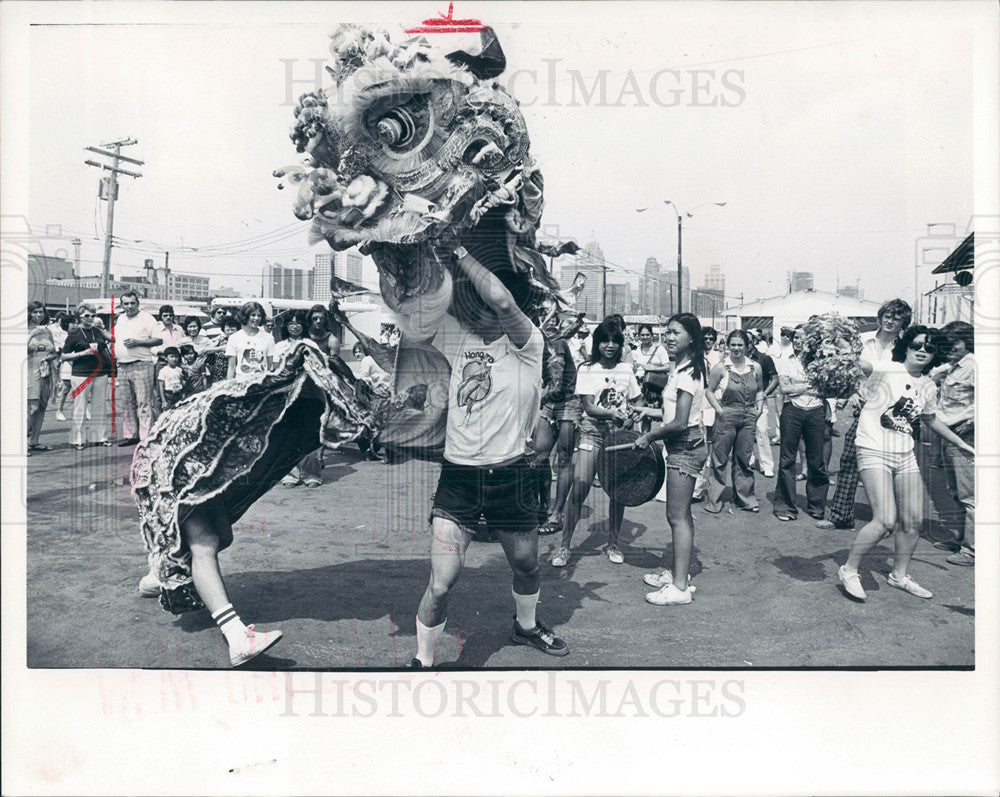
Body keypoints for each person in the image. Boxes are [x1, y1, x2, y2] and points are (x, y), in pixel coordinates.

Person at [411, 243, 567, 668]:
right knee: (441, 584)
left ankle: (527, 626)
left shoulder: (528, 346)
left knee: (527, 566)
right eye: (469, 302)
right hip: (458, 480)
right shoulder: (456, 337)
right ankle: (423, 662)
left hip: (511, 478)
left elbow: (499, 296)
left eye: (482, 301)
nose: (477, 308)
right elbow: (412, 302)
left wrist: (456, 249)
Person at [836, 326, 974, 602]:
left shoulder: (929, 385)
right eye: (917, 345)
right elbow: (855, 364)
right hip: (873, 448)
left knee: (913, 520)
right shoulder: (887, 368)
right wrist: (840, 341)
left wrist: (959, 443)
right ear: (907, 348)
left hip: (904, 452)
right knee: (885, 520)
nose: (923, 351)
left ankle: (899, 575)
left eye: (930, 348)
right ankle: (849, 569)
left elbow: (931, 419)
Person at [550, 319, 643, 567]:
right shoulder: (587, 369)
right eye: (605, 341)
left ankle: (613, 543)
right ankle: (564, 545)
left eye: (615, 341)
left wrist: (635, 412)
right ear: (597, 343)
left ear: (621, 344)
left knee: (617, 492)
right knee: (579, 488)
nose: (610, 346)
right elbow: (589, 407)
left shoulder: (626, 370)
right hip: (592, 434)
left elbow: (638, 400)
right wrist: (612, 413)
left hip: (620, 437)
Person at [634, 313, 709, 605]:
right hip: (683, 444)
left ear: (692, 337)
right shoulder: (682, 368)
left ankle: (679, 588)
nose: (669, 337)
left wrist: (648, 436)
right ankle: (679, 573)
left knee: (677, 517)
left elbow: (679, 422)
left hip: (685, 446)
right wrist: (647, 413)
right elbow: (672, 414)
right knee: (681, 515)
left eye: (676, 332)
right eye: (667, 332)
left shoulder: (688, 372)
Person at [827, 299, 911, 529]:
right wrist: (852, 391)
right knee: (850, 458)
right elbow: (846, 370)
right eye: (888, 315)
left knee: (894, 465)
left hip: (894, 411)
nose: (891, 320)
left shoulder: (905, 348)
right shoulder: (862, 342)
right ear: (880, 316)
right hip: (864, 409)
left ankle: (892, 521)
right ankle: (840, 515)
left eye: (897, 317)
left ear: (904, 322)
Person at [773, 324, 830, 522]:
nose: (797, 342)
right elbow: (785, 389)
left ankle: (816, 506)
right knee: (787, 460)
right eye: (795, 338)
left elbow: (826, 389)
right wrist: (810, 386)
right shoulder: (785, 360)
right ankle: (786, 506)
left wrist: (800, 386)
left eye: (802, 339)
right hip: (792, 411)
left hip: (815, 412)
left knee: (817, 461)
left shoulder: (821, 362)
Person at [703, 329, 764, 514]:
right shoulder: (721, 367)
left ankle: (745, 499)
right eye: (733, 345)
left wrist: (759, 409)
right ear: (728, 346)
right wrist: (720, 410)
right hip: (727, 415)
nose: (736, 349)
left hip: (748, 416)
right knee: (719, 459)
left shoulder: (755, 367)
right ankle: (714, 500)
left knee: (744, 459)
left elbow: (760, 389)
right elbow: (709, 391)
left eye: (740, 345)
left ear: (747, 346)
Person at [931, 321, 975, 566]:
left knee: (970, 495)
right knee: (955, 491)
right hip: (948, 433)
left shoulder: (974, 366)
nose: (948, 348)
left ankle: (972, 550)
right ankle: (960, 538)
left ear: (967, 342)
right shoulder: (954, 366)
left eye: (953, 343)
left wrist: (970, 422)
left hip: (964, 436)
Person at [531, 323, 579, 535]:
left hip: (568, 401)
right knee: (539, 456)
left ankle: (557, 513)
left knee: (564, 459)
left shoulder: (554, 342)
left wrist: (536, 400)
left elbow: (558, 384)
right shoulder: (532, 340)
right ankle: (541, 506)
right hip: (551, 401)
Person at [61, 302, 114, 450]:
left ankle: (100, 437)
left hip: (100, 373)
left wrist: (103, 330)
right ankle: (78, 439)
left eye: (93, 315)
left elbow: (113, 339)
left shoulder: (97, 331)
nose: (90, 318)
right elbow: (64, 356)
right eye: (87, 316)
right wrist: (82, 354)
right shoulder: (74, 334)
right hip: (81, 374)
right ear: (79, 317)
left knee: (100, 406)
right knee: (80, 406)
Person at [113, 291, 163, 446]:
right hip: (123, 365)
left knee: (144, 403)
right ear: (122, 305)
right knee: (127, 403)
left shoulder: (147, 318)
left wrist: (137, 342)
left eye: (132, 303)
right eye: (126, 304)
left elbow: (158, 339)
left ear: (137, 303)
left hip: (141, 364)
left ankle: (145, 436)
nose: (129, 306)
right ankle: (131, 434)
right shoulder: (121, 318)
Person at [27, 301, 58, 454]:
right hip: (29, 371)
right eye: (35, 312)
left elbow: (53, 350)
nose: (38, 315)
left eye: (41, 312)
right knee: (31, 408)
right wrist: (32, 334)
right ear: (29, 313)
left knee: (41, 407)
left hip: (45, 372)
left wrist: (51, 357)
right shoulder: (24, 330)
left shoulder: (47, 331)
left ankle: (34, 441)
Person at [746, 328, 778, 478]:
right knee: (745, 433)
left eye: (749, 340)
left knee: (762, 432)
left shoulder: (764, 359)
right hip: (741, 402)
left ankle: (767, 465)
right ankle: (748, 461)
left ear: (754, 342)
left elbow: (775, 379)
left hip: (759, 402)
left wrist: (764, 394)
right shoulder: (736, 359)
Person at [225, 301, 274, 378]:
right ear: (245, 316)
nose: (256, 318)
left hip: (261, 384)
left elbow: (270, 366)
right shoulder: (234, 338)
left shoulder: (269, 338)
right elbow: (231, 368)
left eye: (259, 315)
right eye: (253, 315)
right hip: (241, 384)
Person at [632, 323, 671, 410]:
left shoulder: (660, 349)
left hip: (653, 386)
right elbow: (634, 368)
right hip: (639, 385)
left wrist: (653, 368)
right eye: (642, 335)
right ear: (638, 336)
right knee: (637, 412)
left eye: (647, 334)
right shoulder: (635, 350)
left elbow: (668, 367)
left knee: (649, 414)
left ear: (652, 335)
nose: (645, 337)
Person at [54, 314, 78, 421]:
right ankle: (59, 411)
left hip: (80, 364)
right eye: (71, 323)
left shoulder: (81, 334)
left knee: (82, 388)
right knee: (65, 388)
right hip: (67, 365)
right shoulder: (62, 337)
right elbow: (60, 352)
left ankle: (83, 410)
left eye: (76, 323)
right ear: (66, 325)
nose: (74, 325)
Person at [204, 315, 240, 384]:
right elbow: (206, 350)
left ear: (237, 329)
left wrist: (217, 349)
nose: (230, 332)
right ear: (223, 330)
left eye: (232, 330)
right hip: (218, 374)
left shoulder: (239, 341)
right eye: (227, 330)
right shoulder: (221, 339)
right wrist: (217, 339)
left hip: (233, 374)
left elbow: (227, 347)